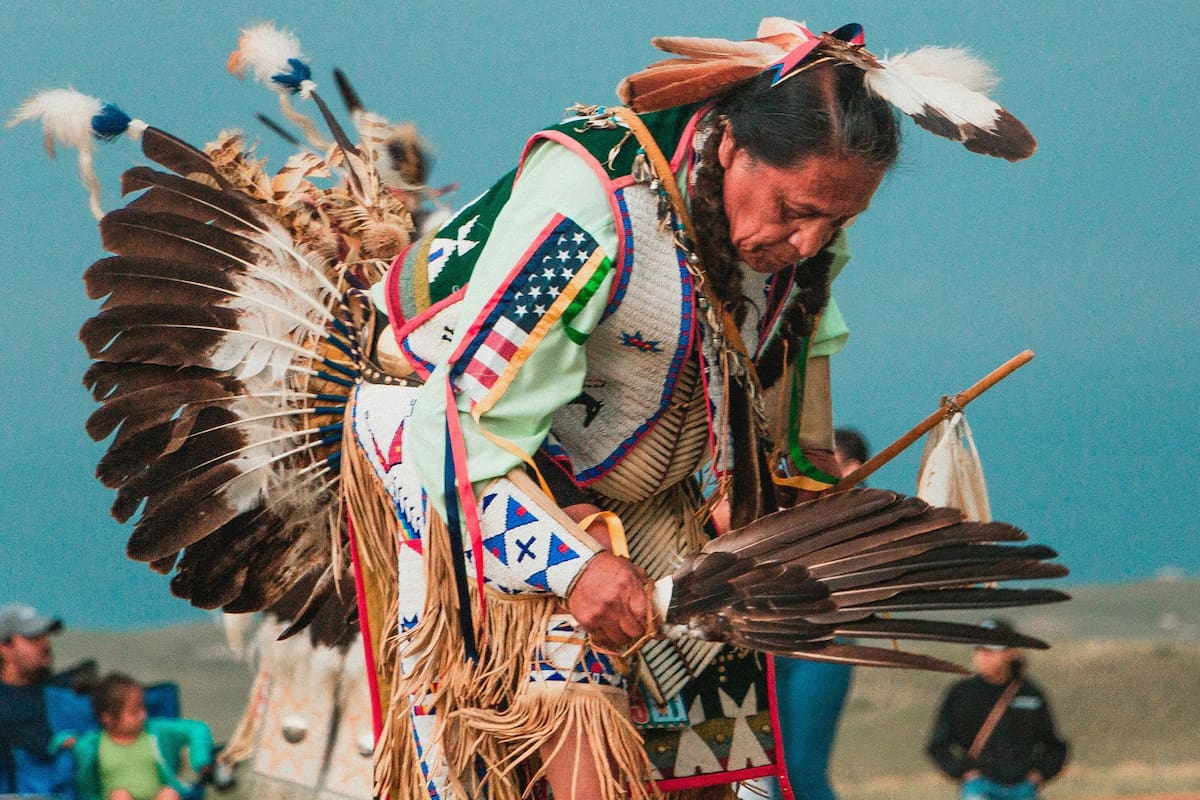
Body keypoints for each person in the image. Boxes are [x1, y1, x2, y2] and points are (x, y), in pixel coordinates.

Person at [342, 18, 1039, 800]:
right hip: (462, 455)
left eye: (837, 220)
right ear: (734, 148)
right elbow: (457, 435)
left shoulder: (797, 242)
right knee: (571, 697)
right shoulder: (589, 208)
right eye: (795, 208)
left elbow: (787, 385)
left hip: (638, 485)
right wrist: (571, 568)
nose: (811, 241)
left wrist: (773, 502)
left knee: (711, 726)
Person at [769, 429, 870, 800]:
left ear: (852, 469)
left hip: (826, 646)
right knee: (774, 769)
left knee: (802, 768)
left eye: (826, 464)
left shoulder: (863, 517)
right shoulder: (792, 506)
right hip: (773, 641)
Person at [927, 619, 1069, 800]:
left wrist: (1039, 773)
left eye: (992, 651)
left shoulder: (1031, 694)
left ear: (1012, 652)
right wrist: (963, 771)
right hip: (980, 786)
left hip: (1022, 788)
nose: (984, 657)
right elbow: (938, 743)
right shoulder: (962, 694)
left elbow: (1054, 745)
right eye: (980, 650)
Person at [52, 673, 215, 800]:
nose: (143, 715)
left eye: (143, 707)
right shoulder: (93, 743)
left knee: (169, 794)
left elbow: (197, 729)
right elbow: (57, 741)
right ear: (107, 717)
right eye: (134, 711)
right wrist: (65, 741)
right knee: (120, 796)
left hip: (158, 797)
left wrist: (201, 760)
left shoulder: (155, 731)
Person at [0, 603, 94, 797]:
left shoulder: (65, 696)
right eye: (32, 637)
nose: (44, 643)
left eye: (44, 635)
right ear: (5, 648)